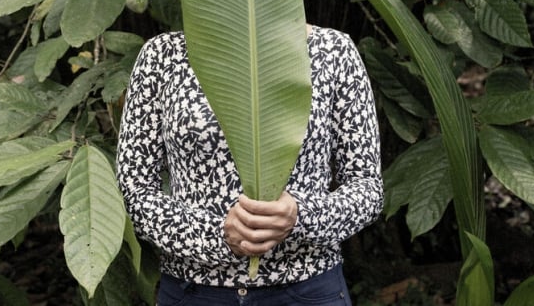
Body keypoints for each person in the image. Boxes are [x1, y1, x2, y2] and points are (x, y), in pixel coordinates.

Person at [116, 22, 383, 305]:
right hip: (193, 290)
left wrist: (300, 216)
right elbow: (134, 191)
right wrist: (216, 235)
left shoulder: (333, 50)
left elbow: (367, 188)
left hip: (306, 290)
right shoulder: (163, 55)